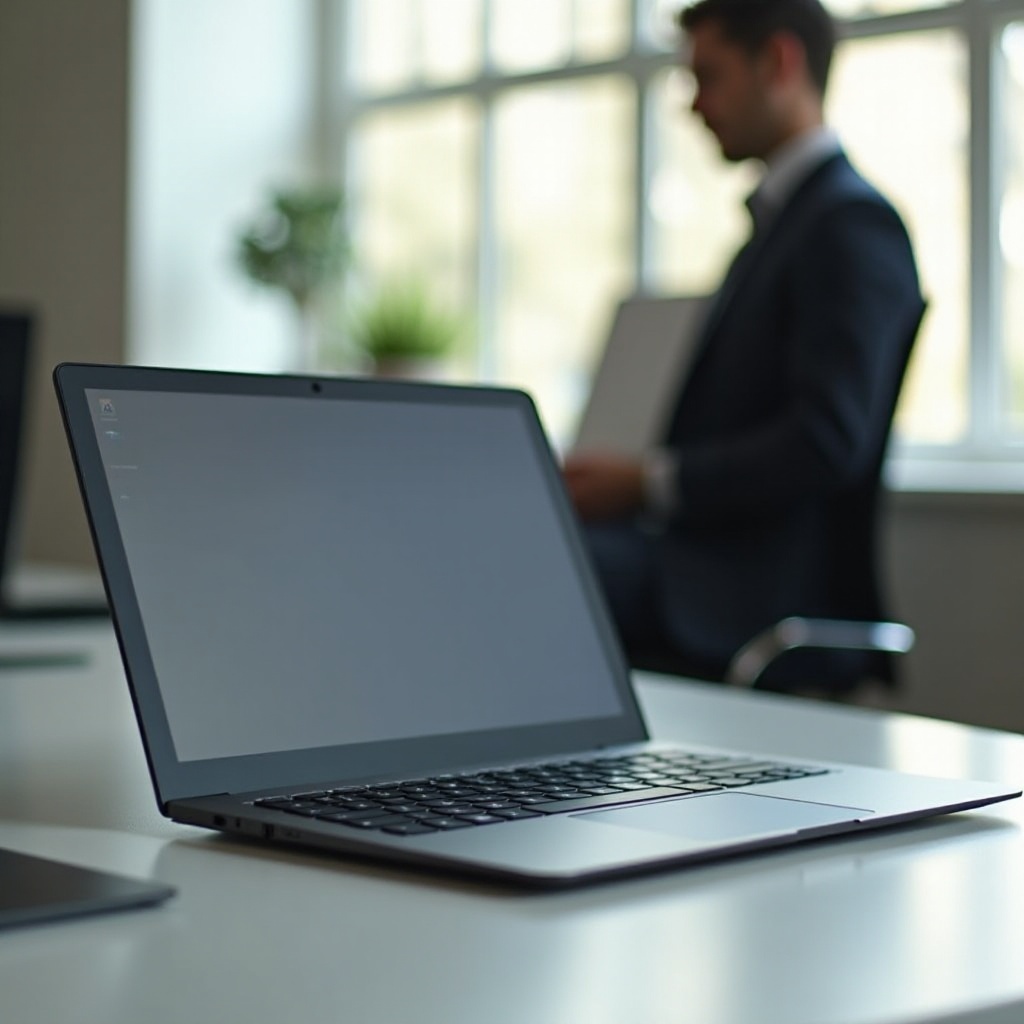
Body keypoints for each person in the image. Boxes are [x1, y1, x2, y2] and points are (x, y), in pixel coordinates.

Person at [562, 0, 925, 690]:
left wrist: (646, 482)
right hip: (698, 563)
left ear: (779, 62)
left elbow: (824, 441)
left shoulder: (850, 224)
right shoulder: (787, 224)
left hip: (752, 594)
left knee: (543, 566)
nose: (694, 104)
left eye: (709, 76)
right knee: (542, 546)